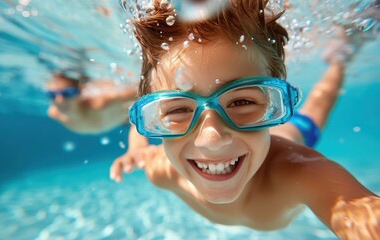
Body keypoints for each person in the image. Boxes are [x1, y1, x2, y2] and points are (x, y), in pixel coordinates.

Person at [109, 0, 380, 238]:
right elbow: (139, 131)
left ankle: (341, 57)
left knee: (323, 98)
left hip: (294, 136)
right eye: (178, 110)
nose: (212, 139)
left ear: (275, 104)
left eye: (242, 101)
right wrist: (137, 151)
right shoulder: (160, 170)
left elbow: (361, 212)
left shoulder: (302, 172)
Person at [46, 71, 137, 134]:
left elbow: (140, 89)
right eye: (52, 95)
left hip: (129, 115)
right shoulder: (55, 113)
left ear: (80, 93)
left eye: (67, 93)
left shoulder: (100, 103)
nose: (60, 100)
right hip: (118, 120)